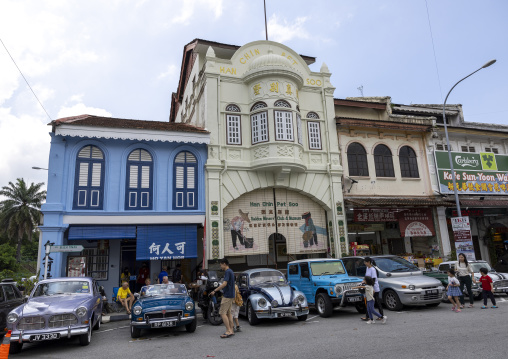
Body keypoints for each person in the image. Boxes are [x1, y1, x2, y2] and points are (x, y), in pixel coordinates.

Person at [211, 258, 235, 338]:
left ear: (224, 264)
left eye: (221, 265)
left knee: (222, 313)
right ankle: (231, 329)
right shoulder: (231, 271)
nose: (220, 266)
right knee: (228, 313)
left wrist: (215, 290)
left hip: (227, 295)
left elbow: (224, 284)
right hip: (231, 295)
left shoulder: (227, 272)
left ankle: (228, 331)